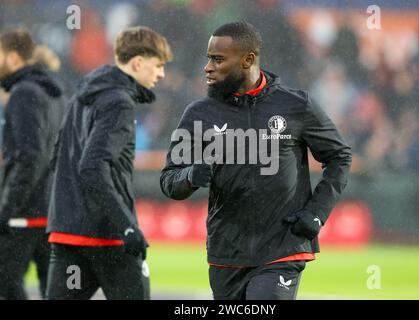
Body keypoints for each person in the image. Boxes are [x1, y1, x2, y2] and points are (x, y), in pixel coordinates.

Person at [160, 22, 352, 300]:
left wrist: (317, 213)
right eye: (208, 58)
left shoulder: (297, 106)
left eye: (217, 59)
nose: (207, 67)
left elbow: (339, 157)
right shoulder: (199, 114)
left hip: (282, 248)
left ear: (248, 60)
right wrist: (189, 176)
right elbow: (169, 179)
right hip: (226, 253)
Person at [46, 26, 172, 300]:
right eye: (158, 65)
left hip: (67, 234)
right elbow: (93, 166)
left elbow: (57, 155)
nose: (161, 74)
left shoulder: (81, 96)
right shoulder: (120, 102)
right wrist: (126, 225)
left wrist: (65, 211)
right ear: (138, 62)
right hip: (109, 237)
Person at [0, 28, 65, 299]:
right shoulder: (55, 94)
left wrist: (8, 208)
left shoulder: (23, 93)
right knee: (51, 288)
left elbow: (30, 157)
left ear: (14, 58)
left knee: (5, 283)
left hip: (24, 212)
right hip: (51, 208)